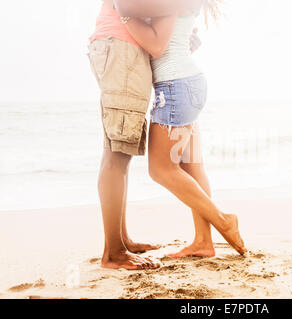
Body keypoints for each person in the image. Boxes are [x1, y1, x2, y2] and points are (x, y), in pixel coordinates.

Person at [117, 0, 247, 258]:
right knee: (191, 165)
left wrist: (125, 16)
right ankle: (203, 242)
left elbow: (156, 46)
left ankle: (224, 221)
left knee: (161, 169)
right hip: (186, 84)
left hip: (176, 87)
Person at [88, 0, 201, 270]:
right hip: (121, 49)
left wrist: (177, 27)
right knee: (118, 151)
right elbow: (125, 6)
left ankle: (121, 240)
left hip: (125, 49)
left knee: (122, 150)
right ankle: (113, 253)